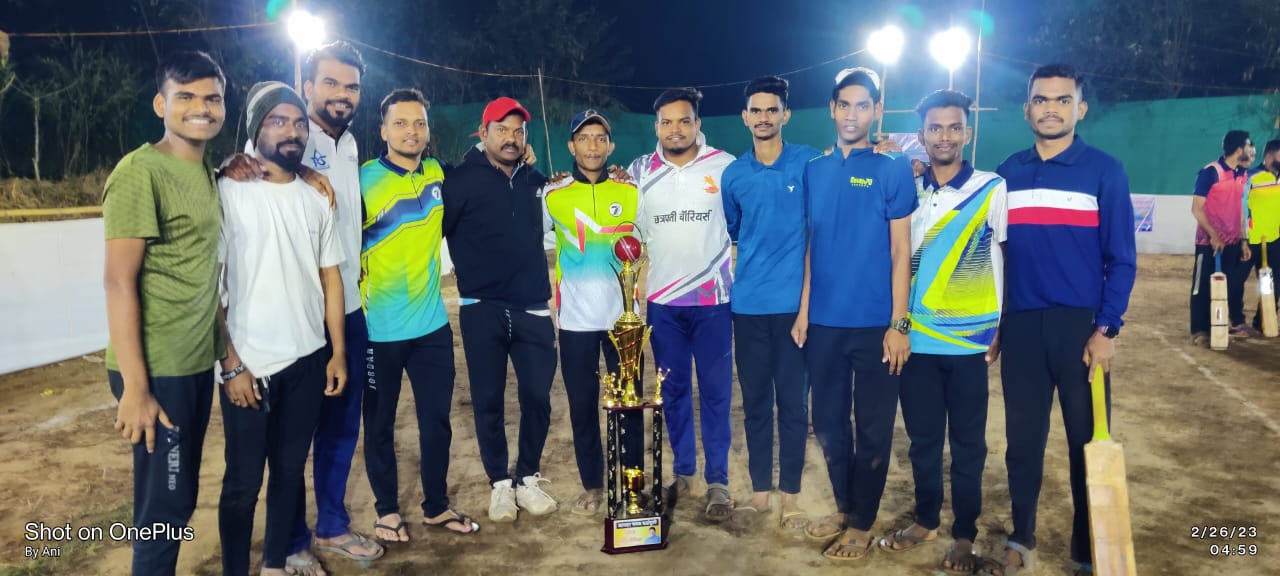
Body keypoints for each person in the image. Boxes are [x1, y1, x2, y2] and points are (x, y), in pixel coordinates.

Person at [982, 64, 1137, 576]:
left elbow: (1122, 258)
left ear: (1080, 108)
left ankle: (1086, 551)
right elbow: (997, 256)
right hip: (1022, 329)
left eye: (1062, 100)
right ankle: (1021, 537)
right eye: (1041, 100)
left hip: (1081, 332)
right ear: (1027, 109)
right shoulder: (1007, 173)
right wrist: (997, 322)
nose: (1051, 109)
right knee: (1022, 445)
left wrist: (1106, 329)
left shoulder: (1105, 171)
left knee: (1084, 445)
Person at [215, 81, 348, 576]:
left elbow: (330, 278)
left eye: (298, 123)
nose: (291, 132)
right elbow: (210, 289)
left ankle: (274, 564)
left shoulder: (317, 196)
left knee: (290, 472)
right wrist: (231, 365)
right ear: (256, 128)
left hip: (308, 359)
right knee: (243, 483)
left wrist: (337, 352)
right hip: (249, 365)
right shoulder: (226, 191)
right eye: (277, 121)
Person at [103, 50, 226, 576]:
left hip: (193, 363)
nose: (201, 108)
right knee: (165, 510)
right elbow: (117, 281)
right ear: (161, 104)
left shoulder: (205, 171)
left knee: (179, 498)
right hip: (157, 369)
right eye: (186, 97)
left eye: (212, 98)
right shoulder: (140, 172)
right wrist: (136, 388)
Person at [875, 90, 1006, 574]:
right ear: (922, 134)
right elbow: (897, 258)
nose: (944, 136)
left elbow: (1006, 257)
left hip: (970, 343)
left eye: (954, 127)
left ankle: (965, 534)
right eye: (935, 128)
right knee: (924, 441)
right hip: (915, 341)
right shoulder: (907, 188)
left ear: (967, 133)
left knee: (969, 445)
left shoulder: (992, 188)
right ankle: (927, 520)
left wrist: (1002, 326)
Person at [792, 67, 916, 561]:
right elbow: (811, 245)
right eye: (844, 104)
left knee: (873, 428)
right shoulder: (814, 169)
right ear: (832, 109)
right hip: (824, 324)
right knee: (827, 423)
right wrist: (804, 311)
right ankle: (845, 507)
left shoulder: (892, 167)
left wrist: (898, 323)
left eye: (863, 105)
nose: (852, 114)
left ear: (877, 111)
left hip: (875, 327)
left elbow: (901, 252)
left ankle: (862, 525)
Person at [360, 88, 480, 542]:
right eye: (401, 123)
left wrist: (528, 159)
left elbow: (484, 170)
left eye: (419, 123)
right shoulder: (361, 180)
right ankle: (387, 511)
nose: (411, 131)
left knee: (436, 423)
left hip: (432, 328)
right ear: (383, 130)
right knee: (379, 425)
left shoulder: (437, 174)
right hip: (378, 330)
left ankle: (436, 506)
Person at [443, 97, 559, 522]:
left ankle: (527, 477)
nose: (511, 138)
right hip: (482, 307)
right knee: (488, 400)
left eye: (518, 131)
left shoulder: (536, 181)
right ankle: (499, 484)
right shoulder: (458, 181)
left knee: (537, 397)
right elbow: (438, 231)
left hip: (532, 307)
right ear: (483, 132)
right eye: (502, 130)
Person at [627, 88, 737, 522]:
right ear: (656, 127)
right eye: (667, 122)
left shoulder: (724, 166)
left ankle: (718, 480)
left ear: (697, 124)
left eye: (684, 120)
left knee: (716, 392)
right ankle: (684, 472)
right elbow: (626, 229)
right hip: (664, 304)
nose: (676, 129)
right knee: (672, 391)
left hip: (713, 302)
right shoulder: (638, 172)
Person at [719, 76, 815, 527]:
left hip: (795, 311)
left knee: (793, 406)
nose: (763, 117)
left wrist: (806, 308)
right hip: (748, 308)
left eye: (771, 109)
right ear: (745, 117)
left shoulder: (808, 163)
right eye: (755, 110)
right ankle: (760, 492)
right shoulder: (734, 175)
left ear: (785, 115)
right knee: (756, 404)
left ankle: (790, 495)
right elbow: (736, 229)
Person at [541, 109, 643, 515]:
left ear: (611, 146)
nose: (593, 146)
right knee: (582, 407)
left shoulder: (631, 190)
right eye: (584, 138)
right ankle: (593, 485)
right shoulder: (553, 195)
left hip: (624, 322)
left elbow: (647, 239)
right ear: (572, 146)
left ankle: (632, 484)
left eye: (601, 138)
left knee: (629, 406)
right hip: (576, 323)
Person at [1190, 130, 1258, 345]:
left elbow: (1241, 210)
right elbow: (1197, 209)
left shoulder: (1242, 174)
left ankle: (1226, 323)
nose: (1251, 150)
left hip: (1233, 242)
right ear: (1239, 150)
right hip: (1207, 243)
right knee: (1202, 287)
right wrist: (1213, 235)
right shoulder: (1210, 172)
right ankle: (1200, 330)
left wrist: (1244, 240)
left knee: (1230, 287)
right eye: (1249, 146)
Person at [1244, 139, 1280, 330]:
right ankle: (1236, 321)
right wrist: (1243, 236)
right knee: (1235, 282)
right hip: (1250, 241)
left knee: (1271, 283)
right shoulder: (1250, 177)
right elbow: (1241, 207)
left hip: (1273, 240)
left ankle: (1264, 320)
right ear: (1269, 156)